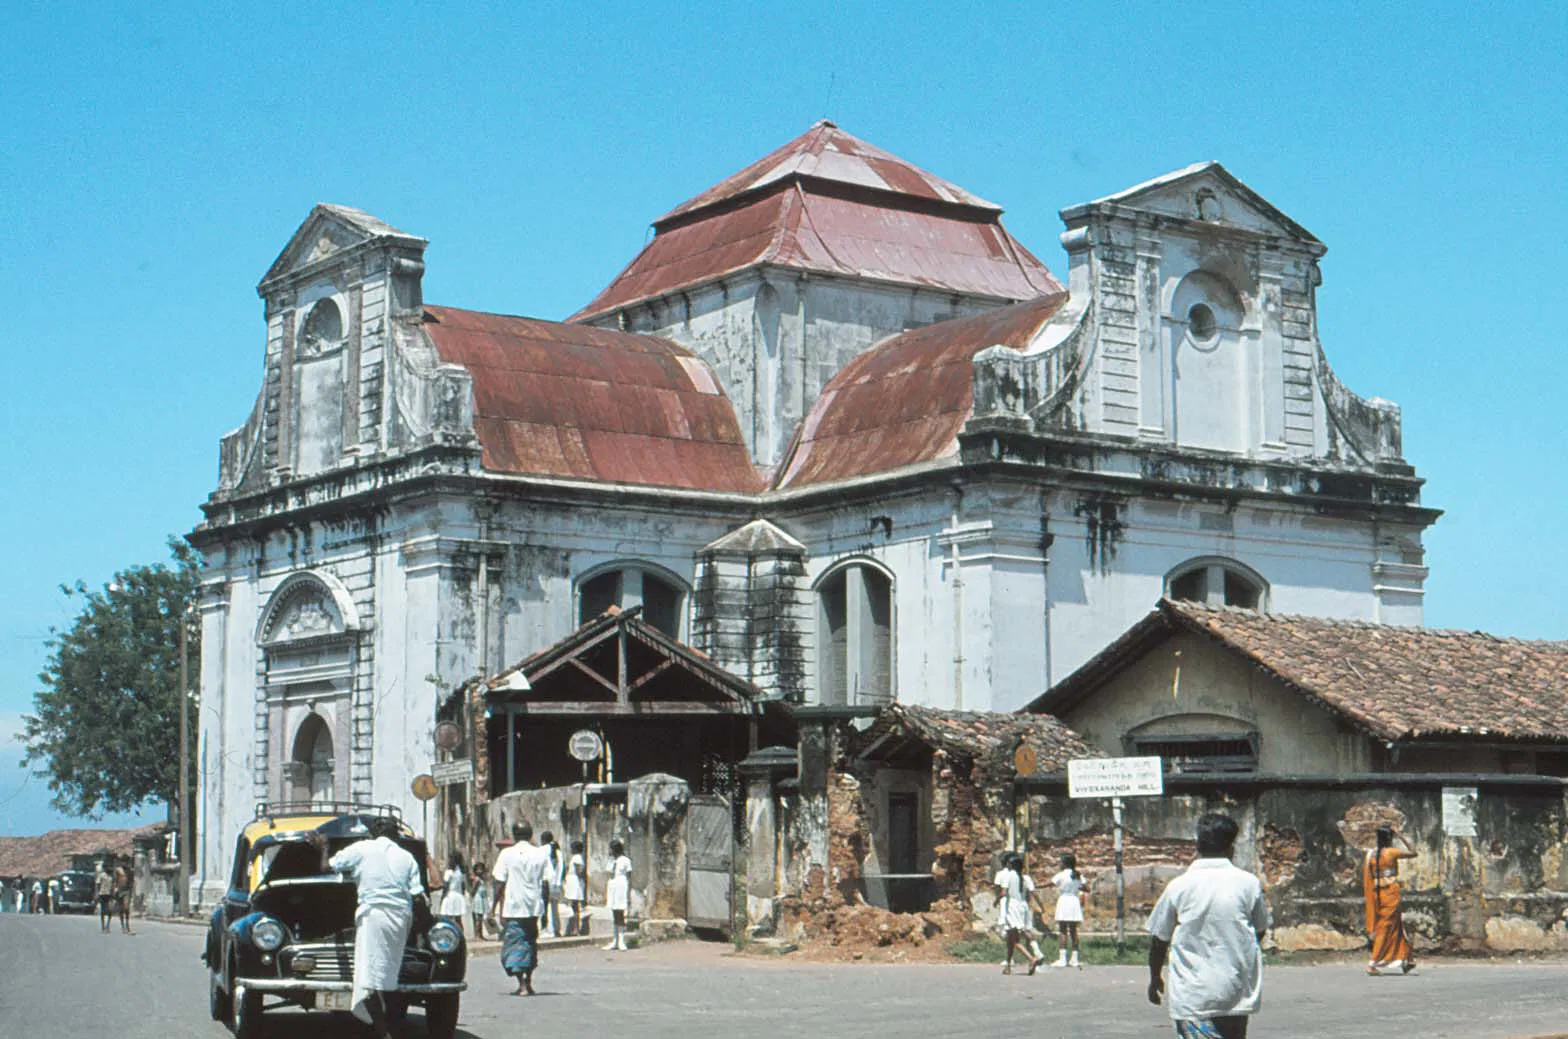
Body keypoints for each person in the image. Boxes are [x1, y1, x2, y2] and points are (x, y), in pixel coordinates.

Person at [1147, 813, 1271, 1039]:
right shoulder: (1248, 884)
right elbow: (1259, 929)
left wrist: (1155, 976)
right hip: (1235, 992)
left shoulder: (1179, 886)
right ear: (1231, 849)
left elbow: (1159, 939)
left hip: (1193, 994)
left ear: (1197, 846)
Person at [310, 817, 424, 1039]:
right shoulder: (406, 856)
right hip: (400, 918)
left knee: (368, 977)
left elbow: (327, 866)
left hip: (373, 916)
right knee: (389, 974)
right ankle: (389, 1025)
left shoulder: (362, 848)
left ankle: (383, 1031)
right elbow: (417, 895)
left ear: (372, 833)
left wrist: (323, 847)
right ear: (395, 835)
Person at [491, 821, 552, 995]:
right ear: (531, 834)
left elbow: (499, 883)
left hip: (514, 908)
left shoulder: (506, 854)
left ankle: (522, 985)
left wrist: (493, 908)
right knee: (529, 944)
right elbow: (546, 884)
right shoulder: (541, 854)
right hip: (533, 908)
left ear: (514, 835)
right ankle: (528, 981)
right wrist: (545, 910)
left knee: (514, 945)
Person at [1363, 824, 1417, 975]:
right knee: (1385, 927)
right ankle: (1373, 962)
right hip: (1391, 894)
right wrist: (1400, 835)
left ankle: (1407, 959)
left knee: (1397, 925)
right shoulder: (1391, 853)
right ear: (1389, 838)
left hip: (1377, 894)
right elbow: (1414, 852)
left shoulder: (1371, 855)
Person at [993, 851, 1042, 975]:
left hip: (1012, 907)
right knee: (1011, 938)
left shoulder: (1009, 876)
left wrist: (996, 900)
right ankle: (1008, 965)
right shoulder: (1025, 877)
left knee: (1014, 939)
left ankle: (1031, 959)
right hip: (1022, 906)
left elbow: (1003, 893)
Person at [1051, 851, 1090, 968]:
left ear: (1064, 863)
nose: (1059, 864)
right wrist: (1078, 886)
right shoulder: (1078, 875)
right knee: (1073, 930)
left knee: (1063, 930)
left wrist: (1035, 886)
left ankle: (1062, 959)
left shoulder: (1061, 874)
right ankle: (1075, 958)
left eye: (1060, 862)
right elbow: (1087, 888)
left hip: (1064, 900)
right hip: (1074, 901)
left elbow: (1050, 883)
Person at [604, 839, 633, 952]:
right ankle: (615, 940)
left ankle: (621, 940)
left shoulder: (625, 860)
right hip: (613, 886)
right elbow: (609, 873)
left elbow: (629, 876)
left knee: (620, 913)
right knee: (614, 912)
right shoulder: (611, 861)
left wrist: (628, 892)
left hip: (621, 886)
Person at [539, 831, 564, 937]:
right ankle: (556, 929)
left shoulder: (541, 850)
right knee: (555, 907)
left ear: (543, 840)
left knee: (543, 906)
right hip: (557, 883)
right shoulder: (558, 852)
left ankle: (545, 929)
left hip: (545, 882)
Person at [562, 839, 587, 936]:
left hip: (575, 882)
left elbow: (579, 871)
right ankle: (575, 928)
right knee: (574, 906)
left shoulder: (577, 858)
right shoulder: (577, 857)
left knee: (575, 906)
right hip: (574, 881)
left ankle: (576, 929)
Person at [439, 855, 468, 934]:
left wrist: (442, 898)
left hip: (450, 895)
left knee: (447, 918)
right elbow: (463, 886)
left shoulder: (449, 872)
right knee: (458, 919)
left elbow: (446, 886)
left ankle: (448, 934)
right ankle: (461, 935)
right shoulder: (461, 871)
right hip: (459, 896)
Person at [469, 866, 491, 941]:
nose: (479, 871)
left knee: (480, 917)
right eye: (478, 869)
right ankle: (477, 935)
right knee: (478, 918)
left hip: (482, 899)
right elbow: (473, 890)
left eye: (481, 869)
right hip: (478, 899)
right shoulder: (477, 879)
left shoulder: (482, 879)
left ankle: (480, 935)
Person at [113, 863, 134, 934]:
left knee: (126, 907)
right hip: (120, 890)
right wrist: (115, 888)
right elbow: (115, 880)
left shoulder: (130, 872)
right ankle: (123, 926)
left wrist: (132, 891)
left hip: (126, 891)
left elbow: (131, 882)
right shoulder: (118, 871)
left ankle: (127, 924)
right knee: (121, 909)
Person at [94, 862, 114, 932]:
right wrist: (97, 893)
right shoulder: (101, 875)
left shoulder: (111, 876)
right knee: (103, 911)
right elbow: (98, 884)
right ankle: (103, 926)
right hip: (102, 894)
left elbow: (113, 885)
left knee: (110, 910)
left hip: (109, 895)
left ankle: (108, 925)